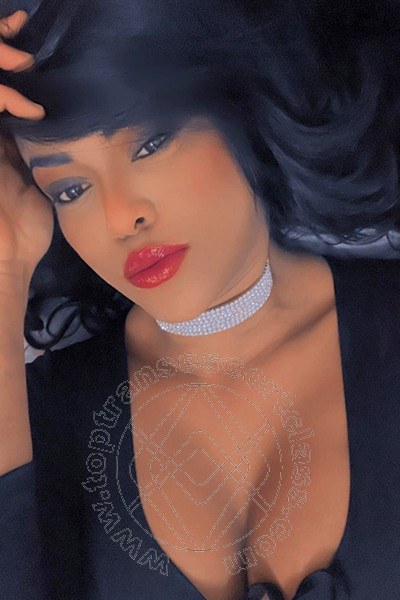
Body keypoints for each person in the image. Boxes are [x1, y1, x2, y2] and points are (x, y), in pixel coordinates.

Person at [0, 2, 399, 600]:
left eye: (150, 143)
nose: (120, 217)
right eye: (71, 188)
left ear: (238, 108)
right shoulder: (38, 418)